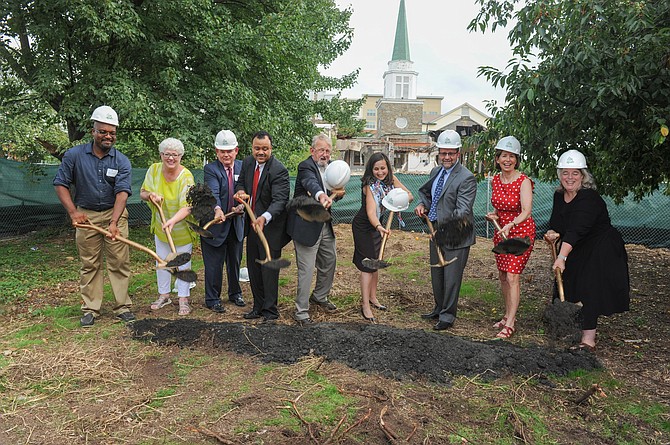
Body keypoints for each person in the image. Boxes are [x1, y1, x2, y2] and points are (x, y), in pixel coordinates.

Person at [53, 105, 135, 327]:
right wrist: (73, 212)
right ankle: (91, 308)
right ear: (94, 131)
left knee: (119, 262)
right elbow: (60, 184)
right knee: (90, 264)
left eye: (112, 132)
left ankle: (123, 307)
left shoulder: (121, 161)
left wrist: (114, 222)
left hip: (114, 213)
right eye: (103, 131)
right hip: (85, 216)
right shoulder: (74, 155)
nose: (108, 136)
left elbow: (122, 193)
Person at [544, 149, 630, 351]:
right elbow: (557, 223)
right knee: (571, 283)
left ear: (583, 176)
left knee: (590, 288)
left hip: (601, 248)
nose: (570, 177)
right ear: (560, 175)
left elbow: (576, 229)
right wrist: (552, 233)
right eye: (565, 172)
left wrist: (562, 256)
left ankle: (588, 340)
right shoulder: (559, 196)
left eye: (575, 173)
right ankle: (572, 327)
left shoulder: (588, 198)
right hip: (578, 247)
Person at [414, 130, 477, 330]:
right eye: (443, 153)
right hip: (436, 231)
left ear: (458, 153)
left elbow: (462, 211)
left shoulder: (466, 178)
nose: (447, 157)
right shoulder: (436, 172)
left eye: (451, 153)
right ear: (438, 153)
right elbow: (430, 196)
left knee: (451, 277)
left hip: (456, 234)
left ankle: (448, 316)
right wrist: (422, 204)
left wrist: (443, 232)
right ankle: (439, 308)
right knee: (438, 274)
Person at [234, 131, 290, 323]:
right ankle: (257, 306)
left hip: (270, 229)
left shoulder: (279, 170)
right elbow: (241, 183)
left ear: (271, 149)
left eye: (264, 149)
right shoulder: (248, 163)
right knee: (253, 267)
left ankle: (270, 311)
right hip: (252, 226)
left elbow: (280, 200)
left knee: (268, 269)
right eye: (257, 148)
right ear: (252, 148)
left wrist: (264, 218)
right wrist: (241, 192)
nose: (260, 152)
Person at [352, 152, 413, 323]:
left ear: (388, 168)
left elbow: (409, 195)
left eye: (383, 168)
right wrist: (379, 227)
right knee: (367, 266)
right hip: (365, 227)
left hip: (378, 227)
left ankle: (373, 297)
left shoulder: (391, 181)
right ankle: (365, 305)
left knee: (375, 264)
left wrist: (397, 198)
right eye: (376, 169)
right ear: (371, 170)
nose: (380, 172)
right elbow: (371, 212)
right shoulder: (369, 186)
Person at [485, 136, 535, 339]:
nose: (508, 160)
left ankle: (511, 323)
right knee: (503, 276)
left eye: (512, 156)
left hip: (520, 234)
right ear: (497, 159)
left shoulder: (523, 181)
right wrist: (495, 216)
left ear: (517, 159)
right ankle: (506, 315)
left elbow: (526, 211)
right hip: (501, 231)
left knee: (513, 276)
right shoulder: (496, 179)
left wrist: (511, 224)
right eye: (504, 156)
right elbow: (499, 206)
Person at [140, 138, 196, 316]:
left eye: (175, 155)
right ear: (161, 155)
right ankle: (164, 295)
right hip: (161, 227)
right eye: (167, 154)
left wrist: (172, 221)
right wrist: (151, 195)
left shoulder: (186, 176)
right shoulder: (154, 170)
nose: (171, 158)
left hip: (181, 230)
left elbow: (188, 206)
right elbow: (142, 192)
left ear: (181, 156)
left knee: (183, 263)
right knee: (162, 261)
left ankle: (183, 299)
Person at [287, 134, 339, 326]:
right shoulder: (305, 166)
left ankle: (320, 296)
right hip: (306, 224)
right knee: (306, 269)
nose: (324, 154)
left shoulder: (332, 168)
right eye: (321, 150)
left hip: (324, 223)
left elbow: (334, 192)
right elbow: (311, 183)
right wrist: (320, 195)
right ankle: (301, 312)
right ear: (312, 151)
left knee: (329, 261)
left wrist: (337, 193)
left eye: (327, 151)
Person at [201, 130, 246, 313]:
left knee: (235, 261)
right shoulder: (211, 169)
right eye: (222, 151)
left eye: (229, 151)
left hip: (236, 224)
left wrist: (242, 205)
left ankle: (235, 294)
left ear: (236, 150)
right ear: (216, 151)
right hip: (215, 225)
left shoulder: (244, 167)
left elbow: (244, 190)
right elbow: (213, 193)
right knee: (214, 264)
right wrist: (218, 209)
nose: (226, 155)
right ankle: (212, 299)